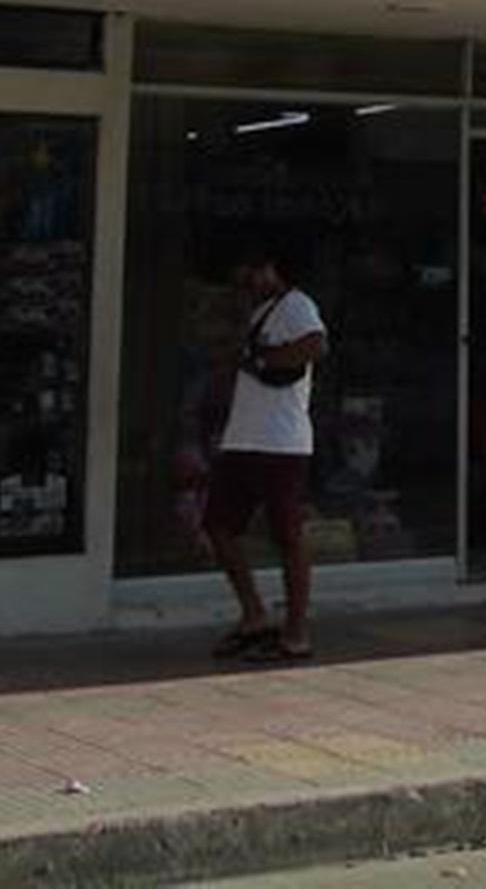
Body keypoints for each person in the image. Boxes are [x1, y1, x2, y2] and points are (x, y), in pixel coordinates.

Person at [204, 241, 326, 662]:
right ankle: (254, 613)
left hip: (281, 442)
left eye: (253, 272)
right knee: (219, 525)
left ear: (271, 269)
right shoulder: (257, 315)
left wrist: (262, 360)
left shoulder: (295, 305)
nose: (246, 281)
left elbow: (315, 345)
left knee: (288, 535)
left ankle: (296, 632)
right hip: (243, 438)